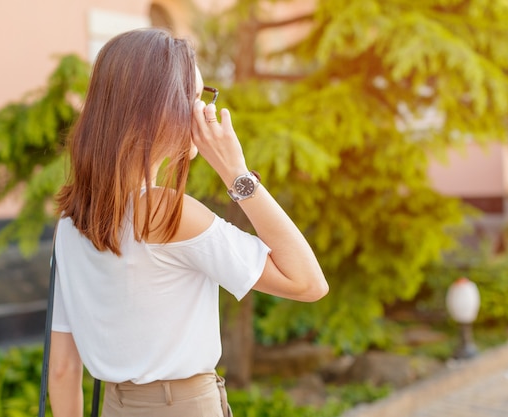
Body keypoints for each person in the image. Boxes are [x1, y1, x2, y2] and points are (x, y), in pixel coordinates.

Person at [48, 28, 328, 417]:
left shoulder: (70, 222)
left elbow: (62, 370)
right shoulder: (168, 214)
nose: (206, 111)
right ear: (157, 109)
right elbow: (308, 282)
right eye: (194, 98)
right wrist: (236, 173)